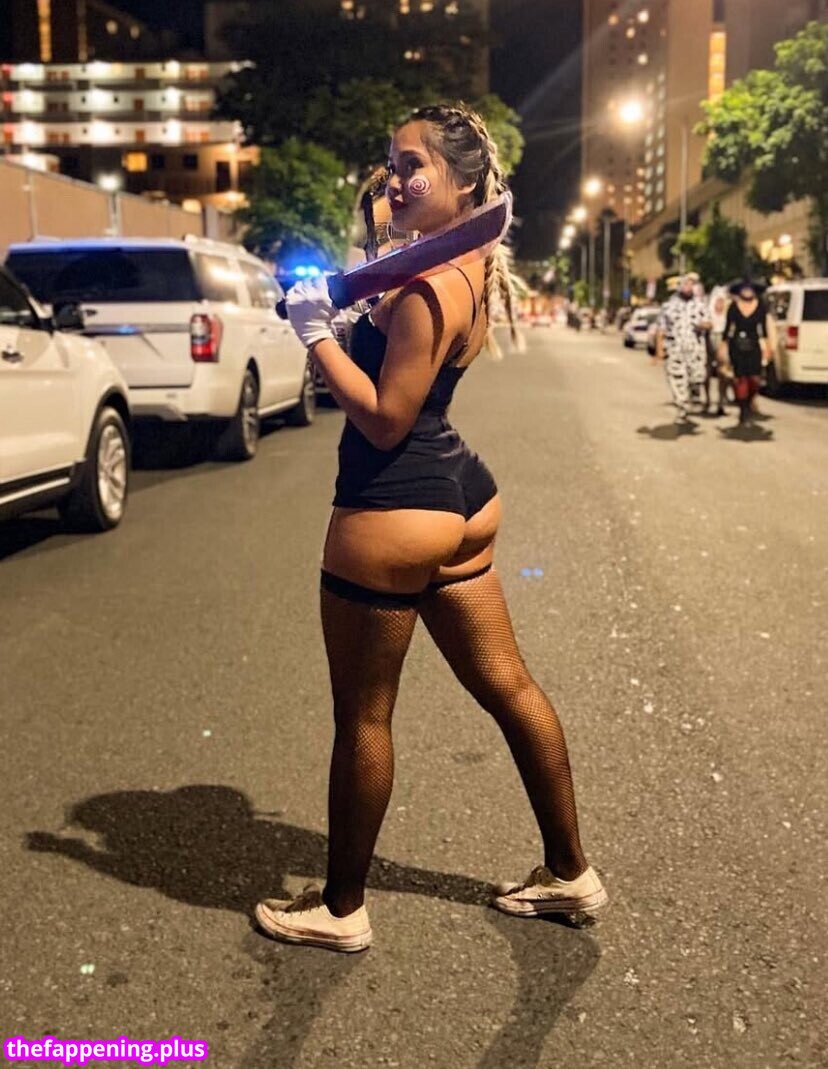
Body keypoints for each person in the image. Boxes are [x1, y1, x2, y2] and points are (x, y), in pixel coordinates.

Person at [253, 104, 608, 953]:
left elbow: (385, 419)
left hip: (392, 508)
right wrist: (348, 315)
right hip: (461, 501)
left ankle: (341, 907)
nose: (396, 178)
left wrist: (316, 337)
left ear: (467, 184)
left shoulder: (422, 287)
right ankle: (570, 870)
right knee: (510, 687)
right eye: (391, 162)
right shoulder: (463, 268)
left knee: (364, 718)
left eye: (414, 165)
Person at [653, 273, 711, 422]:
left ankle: (693, 394)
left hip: (695, 349)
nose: (689, 287)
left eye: (691, 284)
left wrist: (703, 325)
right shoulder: (668, 306)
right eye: (686, 284)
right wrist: (659, 351)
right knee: (676, 378)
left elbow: (710, 323)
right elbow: (661, 329)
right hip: (675, 349)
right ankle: (682, 407)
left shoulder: (700, 305)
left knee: (697, 377)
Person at [719, 280, 771, 426]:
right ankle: (743, 410)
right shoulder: (733, 307)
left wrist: (767, 347)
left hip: (754, 345)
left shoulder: (760, 307)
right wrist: (723, 346)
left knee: (755, 379)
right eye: (744, 289)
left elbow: (764, 330)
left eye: (750, 289)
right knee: (740, 378)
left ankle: (749, 401)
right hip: (737, 346)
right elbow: (728, 328)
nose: (747, 291)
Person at [703, 284, 731, 417]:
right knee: (706, 373)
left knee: (723, 373)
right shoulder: (708, 314)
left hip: (723, 341)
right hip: (709, 340)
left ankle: (721, 402)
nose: (719, 305)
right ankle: (707, 400)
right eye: (717, 302)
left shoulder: (727, 315)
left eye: (722, 302)